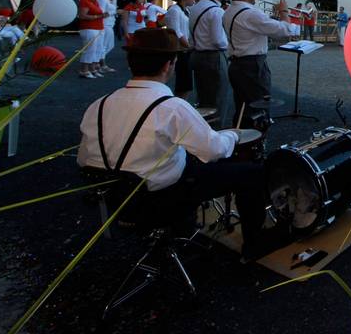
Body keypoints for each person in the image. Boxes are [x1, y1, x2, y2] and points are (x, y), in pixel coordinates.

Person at [76, 28, 276, 260]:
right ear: (168, 65)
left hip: (112, 199)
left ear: (131, 64)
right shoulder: (172, 107)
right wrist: (233, 135)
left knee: (182, 156)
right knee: (251, 173)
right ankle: (253, 246)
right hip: (160, 200)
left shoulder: (99, 104)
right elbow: (215, 150)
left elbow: (84, 159)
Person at [223, 0, 297, 128]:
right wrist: (284, 11)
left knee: (243, 106)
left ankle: (242, 140)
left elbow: (260, 27)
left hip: (237, 63)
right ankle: (256, 142)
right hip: (252, 65)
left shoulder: (229, 11)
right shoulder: (250, 13)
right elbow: (285, 30)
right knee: (258, 106)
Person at [188, 0, 230, 125]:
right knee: (217, 99)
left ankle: (202, 131)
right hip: (213, 57)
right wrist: (230, 45)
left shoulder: (196, 7)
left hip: (197, 54)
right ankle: (215, 134)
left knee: (203, 98)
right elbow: (218, 40)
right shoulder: (216, 11)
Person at [165, 0, 196, 99]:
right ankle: (179, 103)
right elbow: (175, 31)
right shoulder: (174, 10)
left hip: (185, 49)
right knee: (183, 83)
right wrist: (188, 45)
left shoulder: (186, 10)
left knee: (186, 83)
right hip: (180, 50)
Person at [77, 0, 109, 79]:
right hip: (89, 28)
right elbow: (82, 15)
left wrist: (101, 15)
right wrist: (100, 16)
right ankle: (84, 70)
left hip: (97, 28)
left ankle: (93, 69)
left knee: (96, 50)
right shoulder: (85, 1)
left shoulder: (95, 2)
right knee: (89, 50)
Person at [96, 0, 117, 74]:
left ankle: (98, 63)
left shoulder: (107, 0)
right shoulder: (102, 0)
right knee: (104, 46)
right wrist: (115, 12)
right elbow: (102, 13)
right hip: (105, 25)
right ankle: (102, 65)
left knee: (108, 45)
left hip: (109, 25)